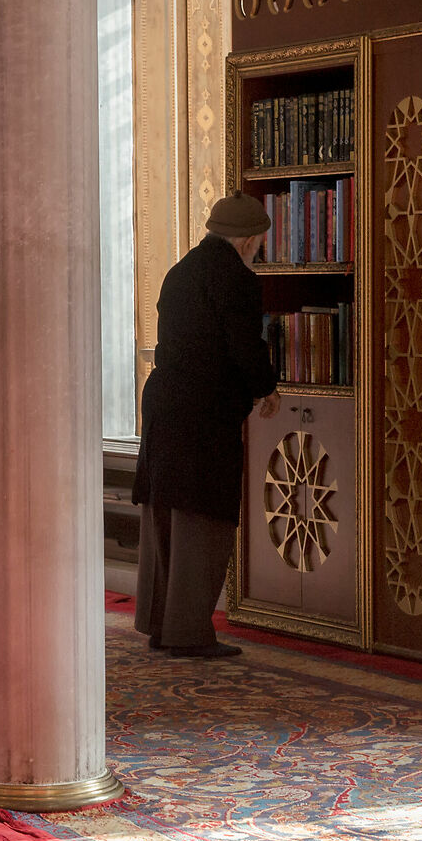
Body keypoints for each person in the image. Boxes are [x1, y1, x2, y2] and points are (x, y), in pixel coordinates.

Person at [131, 194, 280, 658]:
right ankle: (190, 633)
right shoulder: (236, 277)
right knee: (203, 522)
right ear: (249, 240)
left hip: (163, 403)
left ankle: (160, 625)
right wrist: (266, 388)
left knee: (164, 513)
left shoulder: (181, 270)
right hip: (204, 411)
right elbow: (244, 344)